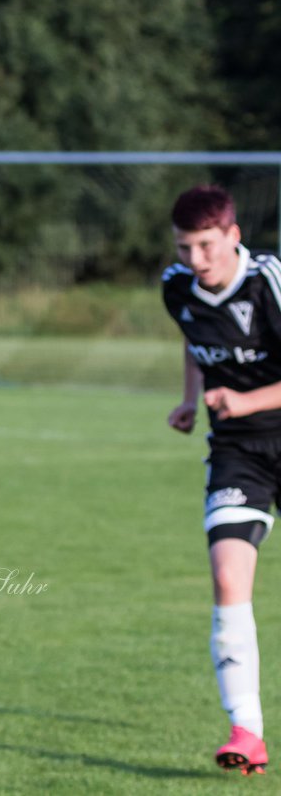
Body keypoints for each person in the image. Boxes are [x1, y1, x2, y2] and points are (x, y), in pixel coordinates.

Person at [163, 184, 281, 776]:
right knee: (227, 573)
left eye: (206, 245)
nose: (196, 260)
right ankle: (247, 732)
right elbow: (194, 340)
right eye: (186, 247)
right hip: (239, 451)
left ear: (233, 235)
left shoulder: (269, 282)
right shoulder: (176, 284)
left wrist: (246, 398)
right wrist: (190, 401)